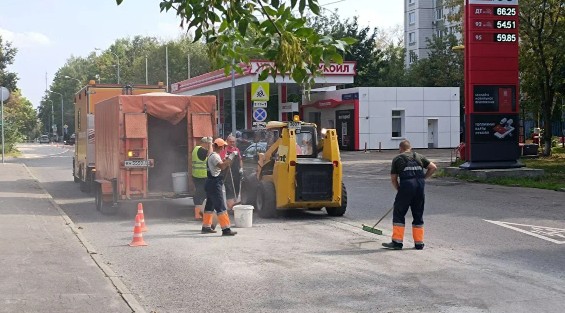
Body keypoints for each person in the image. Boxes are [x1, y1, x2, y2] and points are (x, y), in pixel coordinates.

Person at [382, 140, 437, 250]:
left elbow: (393, 179)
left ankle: (397, 242)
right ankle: (419, 243)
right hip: (419, 188)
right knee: (418, 214)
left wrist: (399, 190)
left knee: (399, 213)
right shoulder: (419, 156)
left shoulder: (398, 159)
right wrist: (423, 178)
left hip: (406, 187)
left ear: (400, 149)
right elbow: (433, 167)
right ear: (410, 148)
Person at [201, 138, 237, 236]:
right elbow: (222, 166)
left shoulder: (212, 155)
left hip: (210, 182)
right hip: (214, 184)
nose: (224, 148)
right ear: (220, 146)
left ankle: (206, 227)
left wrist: (226, 159)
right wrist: (231, 157)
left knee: (209, 206)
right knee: (221, 206)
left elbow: (220, 165)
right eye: (223, 147)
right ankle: (226, 229)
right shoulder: (215, 156)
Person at [220, 134, 243, 210]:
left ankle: (235, 202)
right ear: (227, 142)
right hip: (227, 173)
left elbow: (240, 159)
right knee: (229, 188)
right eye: (230, 142)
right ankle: (230, 205)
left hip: (236, 172)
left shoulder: (236, 150)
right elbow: (221, 161)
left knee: (236, 187)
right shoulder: (224, 150)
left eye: (233, 142)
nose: (232, 143)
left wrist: (241, 168)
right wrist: (227, 159)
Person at [191, 136, 212, 219]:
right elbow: (210, 154)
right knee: (201, 195)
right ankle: (199, 215)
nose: (208, 146)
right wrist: (210, 144)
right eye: (208, 144)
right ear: (205, 143)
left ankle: (199, 214)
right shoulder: (201, 150)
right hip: (201, 176)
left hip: (197, 175)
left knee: (200, 194)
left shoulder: (195, 149)